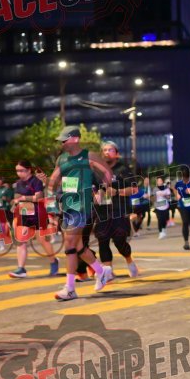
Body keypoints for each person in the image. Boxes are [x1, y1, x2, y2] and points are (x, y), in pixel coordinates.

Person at [46, 125, 113, 301]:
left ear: (75, 139)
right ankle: (101, 271)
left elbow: (107, 173)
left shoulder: (89, 156)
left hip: (82, 205)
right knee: (78, 247)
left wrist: (102, 190)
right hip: (68, 205)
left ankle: (70, 288)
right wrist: (51, 196)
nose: (62, 143)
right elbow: (54, 180)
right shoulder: (61, 159)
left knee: (69, 244)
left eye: (64, 140)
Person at [93, 142, 139, 281]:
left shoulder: (123, 169)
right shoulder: (97, 170)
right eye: (104, 150)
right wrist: (96, 195)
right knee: (103, 240)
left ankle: (129, 260)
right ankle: (108, 272)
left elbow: (134, 189)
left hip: (120, 210)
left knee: (119, 241)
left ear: (116, 153)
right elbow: (93, 188)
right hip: (102, 211)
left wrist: (117, 192)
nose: (107, 152)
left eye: (110, 150)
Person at [9, 160, 59, 278]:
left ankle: (53, 261)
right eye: (17, 171)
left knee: (43, 241)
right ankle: (21, 269)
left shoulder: (36, 181)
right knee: (20, 240)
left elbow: (38, 197)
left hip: (38, 213)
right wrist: (15, 206)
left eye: (21, 170)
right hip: (24, 213)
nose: (19, 173)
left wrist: (23, 198)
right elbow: (16, 198)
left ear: (29, 170)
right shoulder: (18, 183)